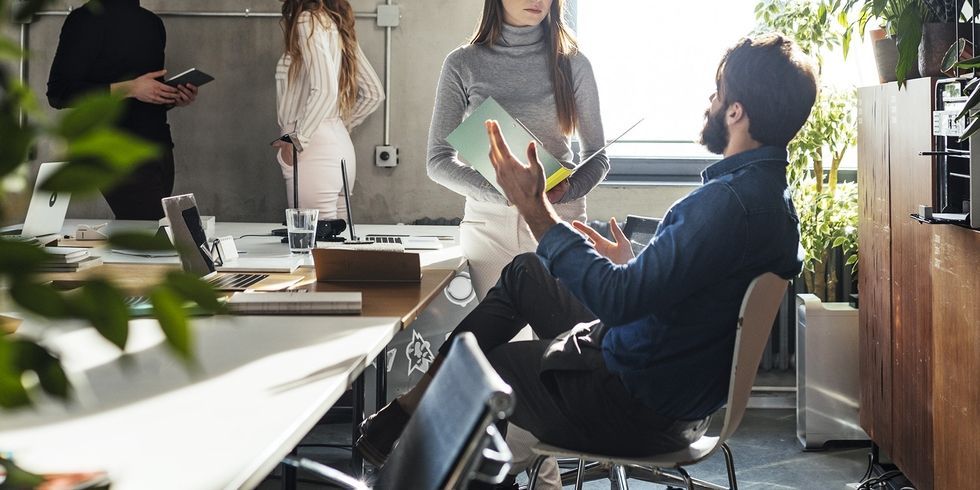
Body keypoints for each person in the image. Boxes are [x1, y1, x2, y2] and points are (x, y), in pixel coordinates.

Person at [359, 33, 816, 488]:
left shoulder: (723, 204)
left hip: (629, 404)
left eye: (718, 94)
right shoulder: (772, 202)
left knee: (481, 371)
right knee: (528, 272)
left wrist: (536, 209)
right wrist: (634, 265)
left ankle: (426, 437)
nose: (711, 102)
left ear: (736, 112)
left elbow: (618, 301)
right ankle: (403, 412)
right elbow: (696, 293)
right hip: (670, 391)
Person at [426, 0, 609, 299]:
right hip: (490, 228)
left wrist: (569, 189)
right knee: (495, 338)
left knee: (559, 339)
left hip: (559, 219)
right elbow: (437, 161)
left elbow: (598, 157)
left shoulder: (575, 63)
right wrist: (506, 191)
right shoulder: (462, 63)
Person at [47, 0, 199, 221]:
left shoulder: (152, 23)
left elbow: (149, 93)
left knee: (152, 233)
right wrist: (130, 88)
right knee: (150, 234)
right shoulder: (85, 19)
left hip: (158, 148)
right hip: (114, 148)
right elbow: (60, 93)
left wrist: (175, 97)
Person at [274, 0, 384, 219]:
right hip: (338, 145)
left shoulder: (307, 20)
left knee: (312, 246)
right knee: (336, 247)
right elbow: (374, 93)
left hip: (310, 149)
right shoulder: (334, 22)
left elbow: (325, 90)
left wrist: (296, 141)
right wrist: (335, 126)